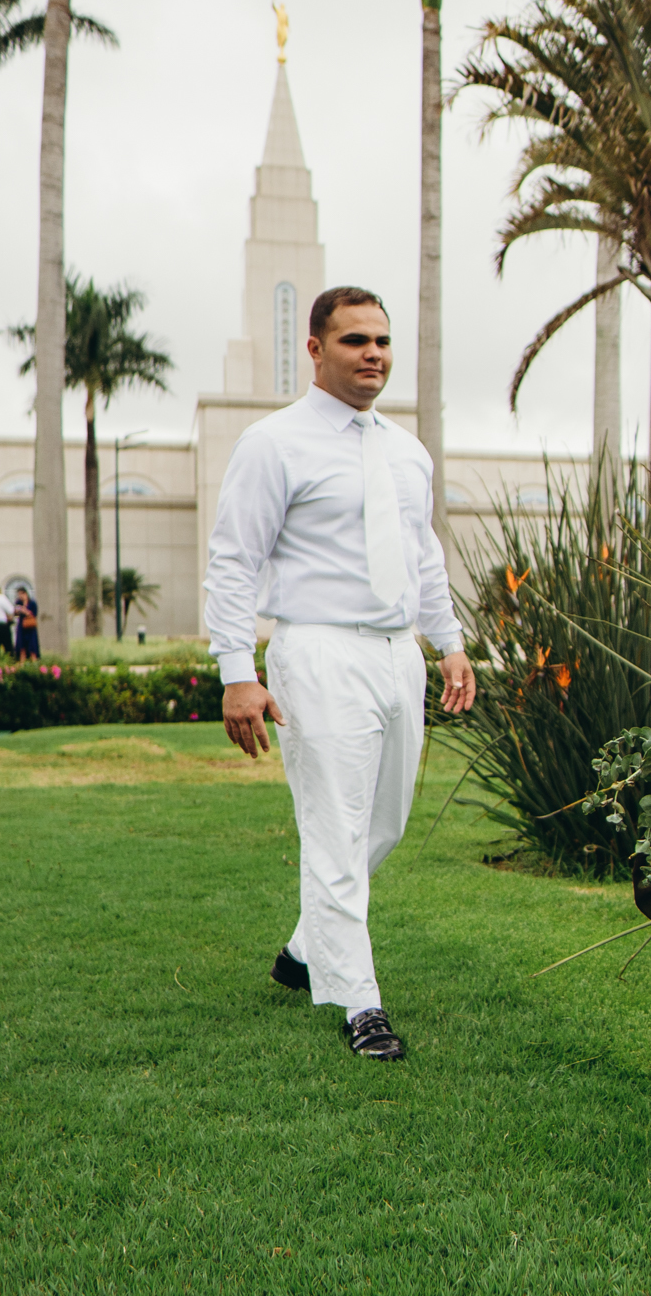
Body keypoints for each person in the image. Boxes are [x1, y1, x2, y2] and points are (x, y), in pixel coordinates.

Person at [204, 286, 476, 1063]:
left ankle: (301, 949)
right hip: (317, 653)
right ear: (316, 350)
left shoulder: (406, 451)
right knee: (333, 828)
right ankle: (361, 1003)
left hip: (398, 657)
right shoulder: (273, 443)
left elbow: (424, 556)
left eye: (383, 341)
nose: (375, 354)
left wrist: (448, 641)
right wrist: (236, 670)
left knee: (381, 824)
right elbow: (233, 560)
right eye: (356, 340)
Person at [14, 587, 40, 662]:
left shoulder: (32, 603)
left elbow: (34, 614)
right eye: (19, 594)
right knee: (22, 646)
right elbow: (15, 613)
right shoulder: (18, 602)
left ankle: (34, 663)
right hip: (22, 626)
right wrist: (17, 610)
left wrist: (25, 610)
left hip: (30, 626)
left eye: (21, 594)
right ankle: (22, 662)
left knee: (32, 646)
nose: (20, 596)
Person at [0, 586, 14, 657]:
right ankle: (10, 664)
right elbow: (10, 610)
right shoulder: (1, 597)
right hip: (2, 625)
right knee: (8, 647)